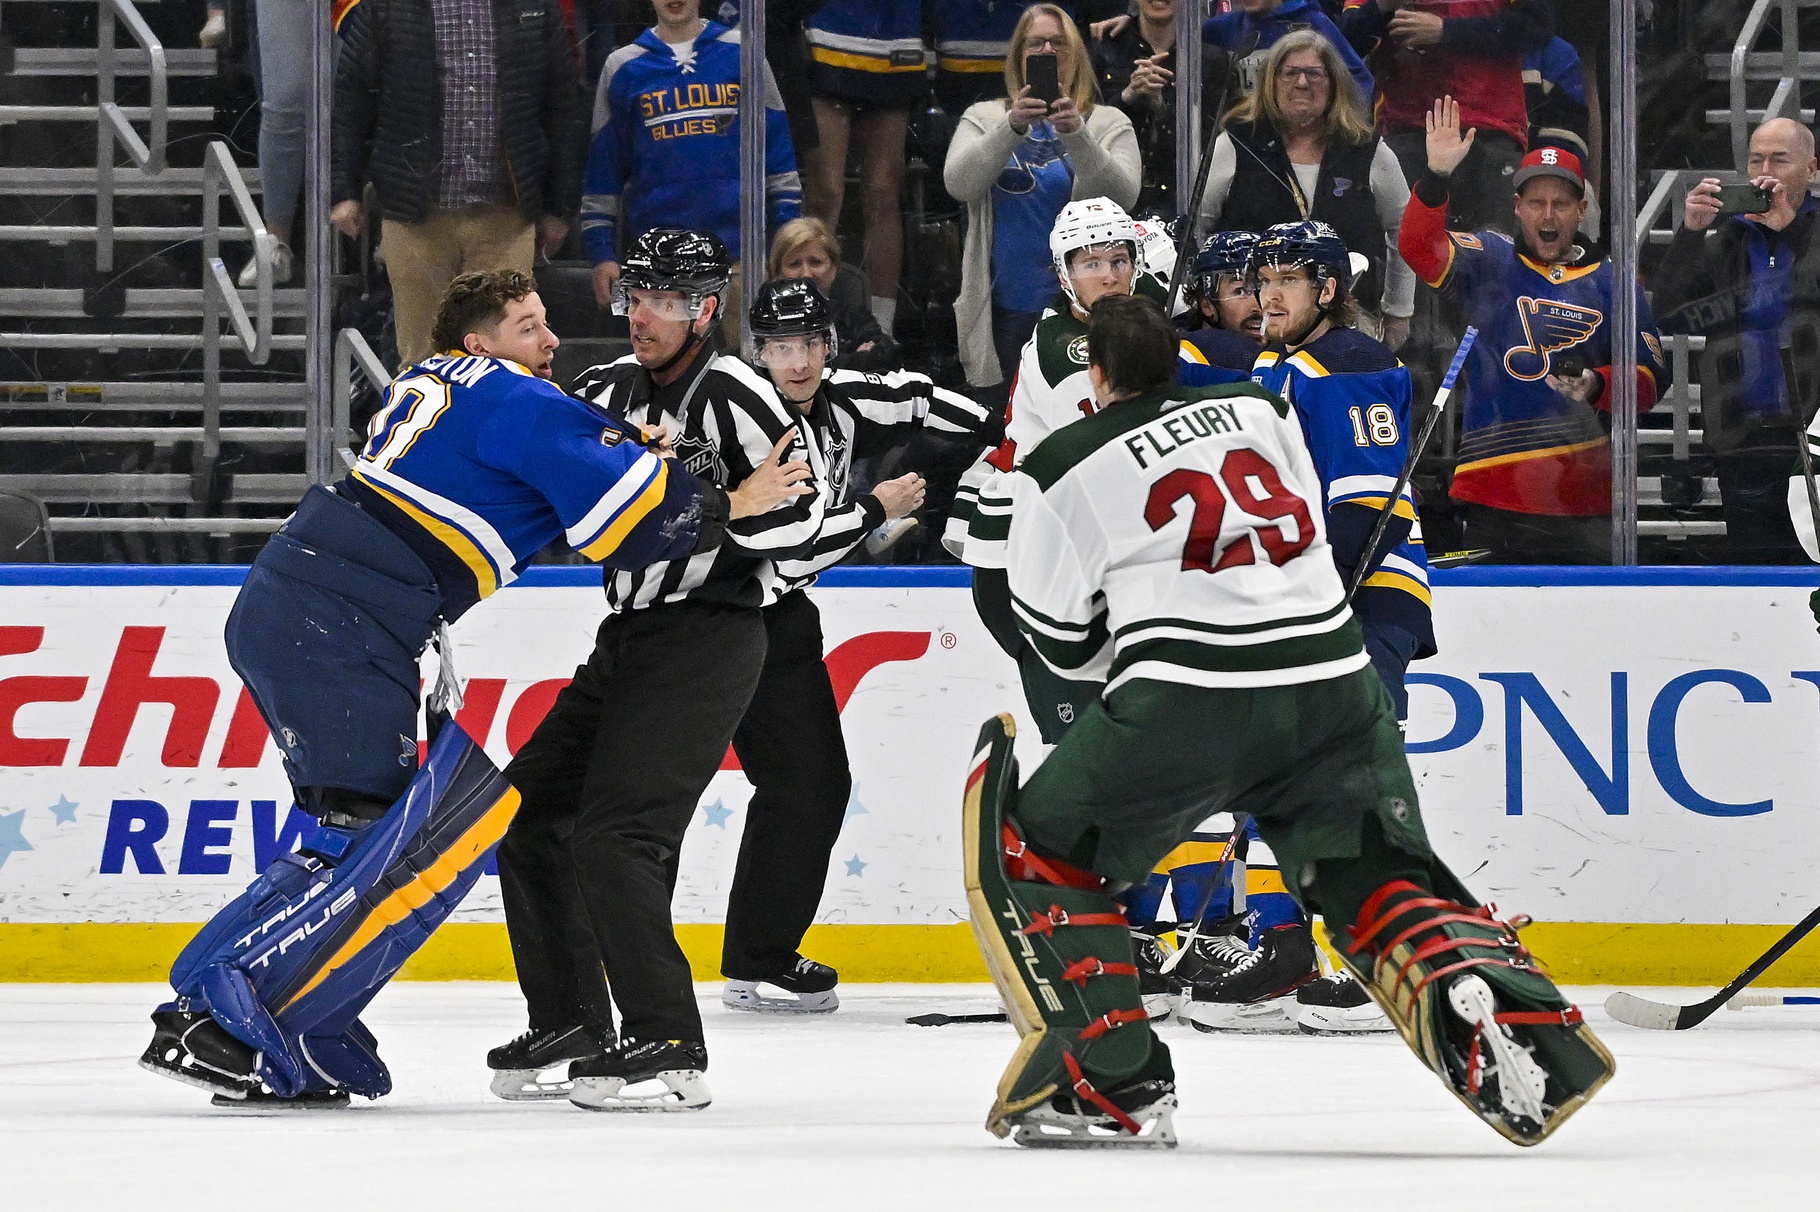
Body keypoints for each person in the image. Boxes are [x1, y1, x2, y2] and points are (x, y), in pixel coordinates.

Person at [138, 268, 804, 1107]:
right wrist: (731, 500)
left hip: (296, 600)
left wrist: (634, 458)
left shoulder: (434, 380)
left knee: (353, 828)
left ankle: (249, 1001)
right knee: (375, 840)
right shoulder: (514, 396)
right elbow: (636, 526)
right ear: (481, 344)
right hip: (342, 620)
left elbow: (533, 482)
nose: (552, 340)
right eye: (530, 326)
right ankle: (233, 1012)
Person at [965, 291, 1615, 1148]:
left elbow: (1058, 641)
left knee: (1033, 848)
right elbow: (1306, 526)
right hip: (1335, 683)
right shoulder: (1261, 407)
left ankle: (1110, 1081)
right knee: (1370, 880)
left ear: (1094, 373)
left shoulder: (1059, 463)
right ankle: (1490, 999)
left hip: (1187, 694)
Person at [491, 229, 827, 1112]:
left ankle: (669, 1041)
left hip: (712, 635)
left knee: (617, 835)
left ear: (706, 310)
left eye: (667, 300)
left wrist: (717, 521)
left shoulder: (740, 393)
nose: (644, 315)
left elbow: (808, 512)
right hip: (629, 635)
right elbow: (554, 488)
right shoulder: (602, 389)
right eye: (635, 296)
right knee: (525, 812)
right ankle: (570, 1017)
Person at [719, 279, 988, 1013]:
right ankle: (746, 955)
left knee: (809, 784)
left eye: (808, 344)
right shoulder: (749, 422)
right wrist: (876, 506)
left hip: (779, 621)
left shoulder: (850, 396)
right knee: (669, 793)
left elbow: (944, 404)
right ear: (759, 353)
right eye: (780, 347)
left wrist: (976, 451)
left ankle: (758, 957)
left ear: (827, 348)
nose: (797, 362)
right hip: (713, 622)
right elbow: (796, 550)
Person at [1399, 98, 1670, 564]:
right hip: (1491, 488)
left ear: (1581, 209)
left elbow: (1651, 380)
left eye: (1561, 203)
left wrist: (1596, 383)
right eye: (1537, 202)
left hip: (1583, 497)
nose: (1548, 215)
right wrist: (1436, 177)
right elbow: (1417, 248)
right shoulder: (1489, 258)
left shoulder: (1611, 280)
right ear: (1517, 207)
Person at [947, 198, 1150, 744]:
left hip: (1074, 552)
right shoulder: (1069, 352)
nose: (1109, 277)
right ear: (1065, 275)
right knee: (1088, 746)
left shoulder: (1114, 321)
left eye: (1119, 260)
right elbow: (1121, 446)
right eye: (1091, 264)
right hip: (1024, 561)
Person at [331, 0, 584, 365]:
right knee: (421, 360)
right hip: (414, 211)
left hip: (506, 216)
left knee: (510, 362)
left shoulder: (536, 5)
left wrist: (560, 207)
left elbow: (563, 105)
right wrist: (345, 190)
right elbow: (351, 97)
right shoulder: (385, 6)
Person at [944, 3, 1140, 399]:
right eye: (1036, 43)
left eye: (1059, 43)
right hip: (1007, 308)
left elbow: (1124, 198)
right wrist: (1011, 126)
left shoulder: (1108, 123)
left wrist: (1079, 136)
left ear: (1077, 55)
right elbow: (958, 184)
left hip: (1089, 310)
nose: (1048, 52)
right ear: (1018, 56)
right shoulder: (983, 118)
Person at [581, 0, 801, 348]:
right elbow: (603, 172)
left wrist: (787, 237)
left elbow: (778, 154)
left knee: (749, 379)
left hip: (740, 258)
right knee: (669, 381)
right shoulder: (622, 67)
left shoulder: (743, 52)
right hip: (658, 268)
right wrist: (602, 253)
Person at [1652, 118, 1820, 565]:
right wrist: (1690, 233)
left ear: (1812, 169)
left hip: (1815, 439)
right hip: (1742, 441)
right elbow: (1669, 312)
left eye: (1780, 159)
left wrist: (1793, 230)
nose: (1765, 170)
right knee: (1756, 578)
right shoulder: (1728, 240)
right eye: (1756, 159)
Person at [1198, 30, 1415, 351]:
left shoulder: (1367, 149)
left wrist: (1398, 310)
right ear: (1271, 81)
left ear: (1334, 83)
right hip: (1254, 328)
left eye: (1314, 73)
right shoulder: (1235, 143)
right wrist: (1220, 303)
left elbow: (1405, 232)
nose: (1302, 83)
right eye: (1290, 73)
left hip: (1346, 325)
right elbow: (1196, 231)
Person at [1339, 0, 1554, 234]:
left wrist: (1446, 31)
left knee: (1490, 258)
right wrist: (1380, 6)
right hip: (1405, 129)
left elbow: (1537, 26)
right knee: (1407, 252)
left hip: (1489, 130)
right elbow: (1343, 44)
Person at [799, 0, 922, 338]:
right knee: (825, 193)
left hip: (895, 39)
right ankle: (806, 316)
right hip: (826, 35)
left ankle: (882, 326)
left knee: (884, 192)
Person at [1091, 0, 1212, 217]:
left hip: (1184, 204)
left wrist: (1160, 108)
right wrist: (1127, 96)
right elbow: (1085, 130)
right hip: (1113, 202)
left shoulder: (1210, 59)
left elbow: (1212, 143)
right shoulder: (1103, 48)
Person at [768, 217, 898, 372]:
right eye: (794, 264)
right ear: (776, 274)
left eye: (815, 262)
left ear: (833, 269)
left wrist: (835, 363)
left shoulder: (849, 316)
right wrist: (857, 360)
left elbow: (886, 353)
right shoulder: (765, 322)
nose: (806, 274)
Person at [1205, 0, 1372, 101]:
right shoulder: (1221, 29)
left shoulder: (1312, 23)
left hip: (1299, 136)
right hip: (1241, 138)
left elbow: (1360, 80)